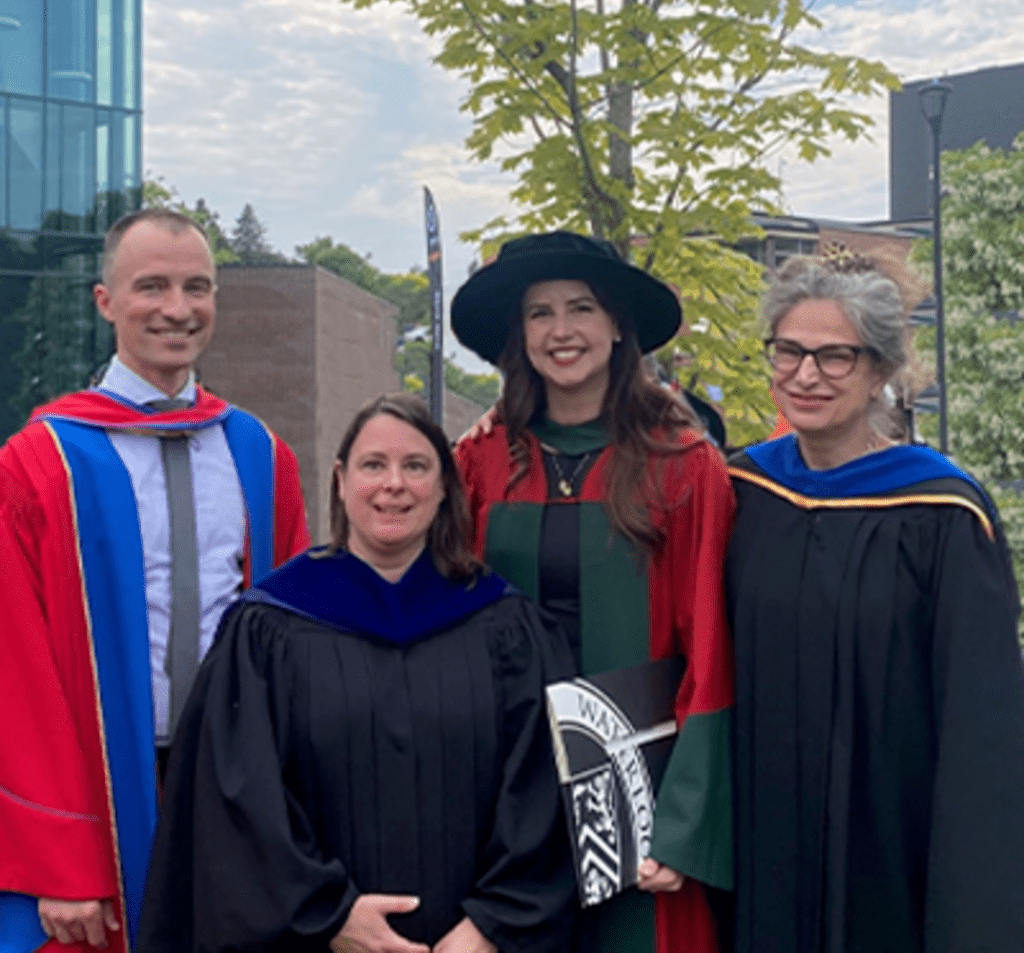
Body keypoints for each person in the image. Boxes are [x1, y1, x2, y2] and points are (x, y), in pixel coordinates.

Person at [137, 392, 576, 953]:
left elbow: (544, 789)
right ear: (342, 481)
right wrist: (330, 917)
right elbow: (236, 803)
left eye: (415, 466)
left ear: (444, 487)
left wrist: (492, 924)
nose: (393, 484)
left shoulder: (503, 625)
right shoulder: (268, 628)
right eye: (374, 465)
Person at [0, 209, 310, 953]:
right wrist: (60, 853)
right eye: (153, 286)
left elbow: (296, 647)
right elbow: (15, 669)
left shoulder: (260, 454)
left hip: (234, 785)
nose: (178, 308)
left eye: (197, 287)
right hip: (98, 789)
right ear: (105, 301)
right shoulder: (40, 464)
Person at [727, 255, 1024, 952]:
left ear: (880, 371)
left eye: (835, 357)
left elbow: (980, 721)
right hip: (758, 837)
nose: (805, 375)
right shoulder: (742, 493)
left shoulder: (942, 513)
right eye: (790, 351)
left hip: (890, 842)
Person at [451, 231, 736, 953]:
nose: (561, 330)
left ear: (617, 327)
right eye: (539, 313)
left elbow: (709, 644)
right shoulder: (481, 460)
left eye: (581, 307)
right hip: (504, 781)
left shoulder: (683, 464)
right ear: (519, 334)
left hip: (638, 791)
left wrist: (685, 822)